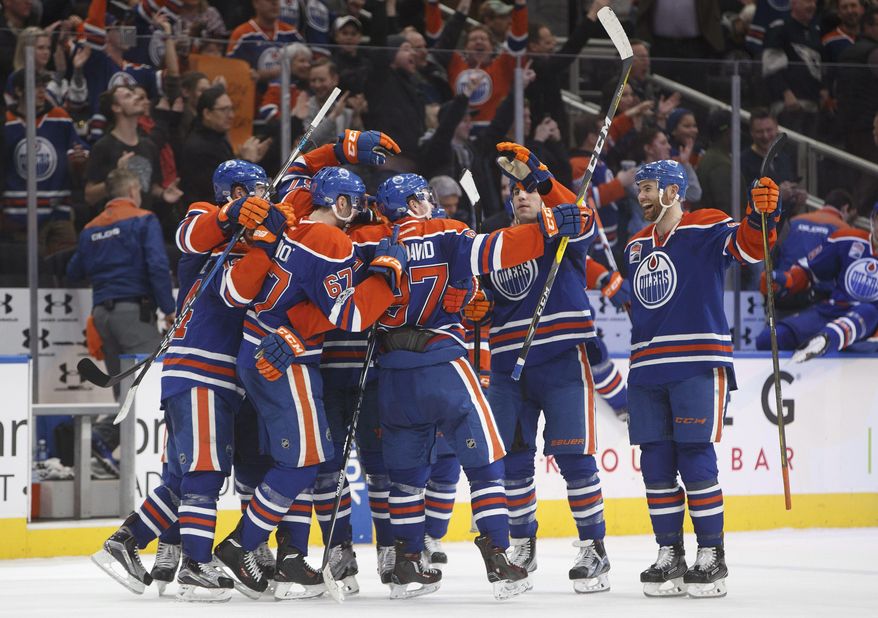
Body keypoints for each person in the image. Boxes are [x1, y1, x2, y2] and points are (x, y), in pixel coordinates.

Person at [371, 171, 590, 599]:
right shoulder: (446, 231)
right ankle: (498, 554)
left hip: (392, 374)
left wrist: (463, 288)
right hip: (441, 363)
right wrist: (547, 227)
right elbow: (502, 248)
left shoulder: (371, 245)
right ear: (415, 204)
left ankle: (408, 564)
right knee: (488, 461)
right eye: (426, 200)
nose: (432, 205)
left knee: (407, 477)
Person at [213, 132, 405, 599]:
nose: (357, 211)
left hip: (258, 350)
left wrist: (343, 147)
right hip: (286, 361)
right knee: (305, 461)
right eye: (352, 203)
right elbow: (352, 315)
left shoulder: (292, 223)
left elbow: (297, 170)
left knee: (299, 457)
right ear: (336, 202)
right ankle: (242, 544)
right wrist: (387, 276)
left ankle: (276, 554)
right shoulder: (328, 240)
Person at [89, 161, 287, 601]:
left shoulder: (254, 238)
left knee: (182, 479)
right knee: (205, 470)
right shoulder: (209, 222)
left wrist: (268, 237)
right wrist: (238, 220)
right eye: (255, 191)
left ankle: (125, 541)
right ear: (234, 191)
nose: (264, 199)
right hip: (201, 368)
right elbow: (190, 238)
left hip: (215, 374)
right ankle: (197, 563)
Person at [624, 160, 779, 598]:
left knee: (694, 458)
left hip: (696, 360)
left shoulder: (706, 224)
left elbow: (749, 248)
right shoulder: (635, 244)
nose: (643, 197)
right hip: (646, 366)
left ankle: (711, 553)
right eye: (640, 189)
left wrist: (761, 215)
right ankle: (668, 553)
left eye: (650, 188)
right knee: (655, 464)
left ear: (674, 191)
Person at [464, 142, 612, 593]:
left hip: (562, 360)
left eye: (530, 190)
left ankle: (594, 548)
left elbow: (582, 218)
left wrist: (547, 179)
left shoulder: (564, 231)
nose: (522, 196)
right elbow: (485, 308)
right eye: (516, 190)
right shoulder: (497, 244)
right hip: (509, 368)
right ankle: (522, 542)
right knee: (511, 463)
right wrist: (476, 309)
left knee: (575, 459)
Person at [758, 202, 878, 360]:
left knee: (869, 311)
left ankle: (827, 339)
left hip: (870, 324)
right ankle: (823, 341)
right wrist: (785, 281)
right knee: (769, 340)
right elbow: (809, 269)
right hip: (832, 313)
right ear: (873, 220)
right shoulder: (846, 239)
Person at [2, 69, 88, 257]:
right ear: (18, 91)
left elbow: (80, 151)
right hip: (19, 216)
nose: (42, 91)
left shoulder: (60, 117)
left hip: (59, 213)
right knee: (28, 275)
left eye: (43, 86)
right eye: (36, 86)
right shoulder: (6, 122)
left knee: (67, 270)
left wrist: (79, 160)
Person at [84, 85, 183, 219]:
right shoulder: (103, 146)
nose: (137, 97)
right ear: (116, 107)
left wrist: (163, 194)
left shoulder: (149, 146)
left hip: (144, 223)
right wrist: (116, 176)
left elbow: (150, 186)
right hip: (115, 225)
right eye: (128, 96)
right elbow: (89, 196)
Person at [179, 85, 270, 205]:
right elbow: (223, 190)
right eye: (224, 110)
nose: (231, 115)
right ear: (207, 113)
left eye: (231, 109)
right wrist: (248, 161)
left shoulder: (217, 137)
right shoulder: (199, 147)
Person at [761, 0, 829, 137]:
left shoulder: (815, 31)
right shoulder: (780, 28)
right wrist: (785, 92)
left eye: (814, 2)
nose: (812, 6)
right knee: (791, 150)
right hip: (789, 105)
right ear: (793, 4)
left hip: (812, 104)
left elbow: (819, 63)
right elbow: (771, 66)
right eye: (807, 2)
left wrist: (823, 88)